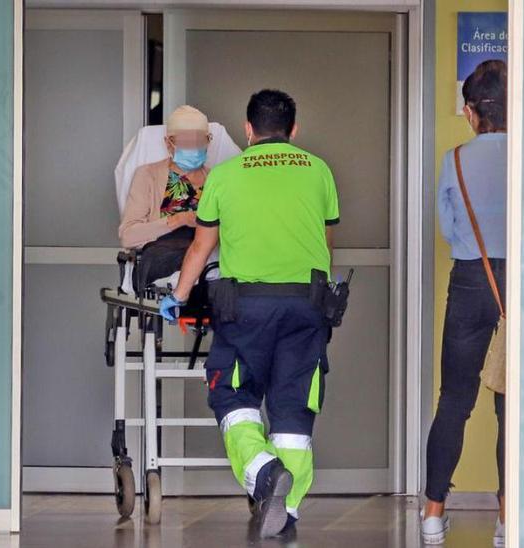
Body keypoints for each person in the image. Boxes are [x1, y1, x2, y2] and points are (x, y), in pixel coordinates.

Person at [159, 89, 339, 541]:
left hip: (246, 309)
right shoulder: (319, 170)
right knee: (295, 409)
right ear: (293, 130)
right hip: (306, 306)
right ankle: (287, 514)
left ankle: (263, 474)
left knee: (232, 397)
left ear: (247, 129)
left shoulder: (225, 174)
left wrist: (178, 295)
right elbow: (325, 241)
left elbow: (202, 245)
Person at [421, 60, 508, 547]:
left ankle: (433, 515)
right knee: (509, 407)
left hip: (471, 282)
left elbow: (449, 229)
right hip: (519, 285)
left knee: (453, 402)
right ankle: (504, 519)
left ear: (472, 112)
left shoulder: (454, 160)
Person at [118, 105, 213, 287]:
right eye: (186, 141)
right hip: (164, 260)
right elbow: (128, 236)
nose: (194, 147)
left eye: (200, 140)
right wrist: (179, 220)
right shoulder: (148, 175)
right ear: (168, 143)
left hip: (207, 261)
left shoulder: (217, 179)